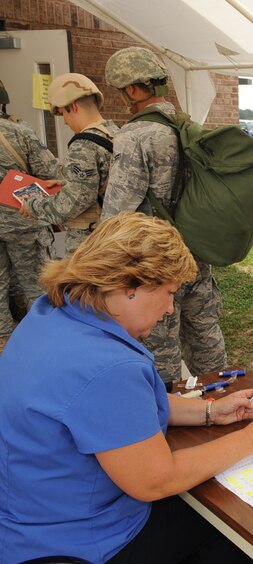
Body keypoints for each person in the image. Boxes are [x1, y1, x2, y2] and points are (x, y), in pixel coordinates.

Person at [0, 212, 253, 564]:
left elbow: (116, 410)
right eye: (169, 293)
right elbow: (155, 481)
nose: (171, 308)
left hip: (26, 530)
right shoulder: (107, 366)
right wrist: (251, 439)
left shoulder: (53, 313)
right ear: (130, 286)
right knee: (225, 522)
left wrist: (210, 411)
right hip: (67, 562)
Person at [103, 47, 227, 385]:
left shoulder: (135, 135)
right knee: (205, 333)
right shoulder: (188, 127)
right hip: (196, 254)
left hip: (155, 262)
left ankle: (169, 419)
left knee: (159, 346)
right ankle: (220, 402)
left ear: (130, 89)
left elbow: (117, 215)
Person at [20, 73, 119, 253]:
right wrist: (68, 183)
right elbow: (103, 182)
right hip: (114, 234)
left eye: (63, 114)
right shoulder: (114, 132)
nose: (65, 121)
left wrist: (33, 206)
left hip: (90, 243)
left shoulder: (84, 144)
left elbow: (72, 204)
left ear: (72, 106)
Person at [0, 79, 59, 347]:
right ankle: (43, 342)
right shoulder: (18, 132)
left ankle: (4, 344)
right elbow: (51, 174)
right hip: (22, 220)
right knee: (36, 285)